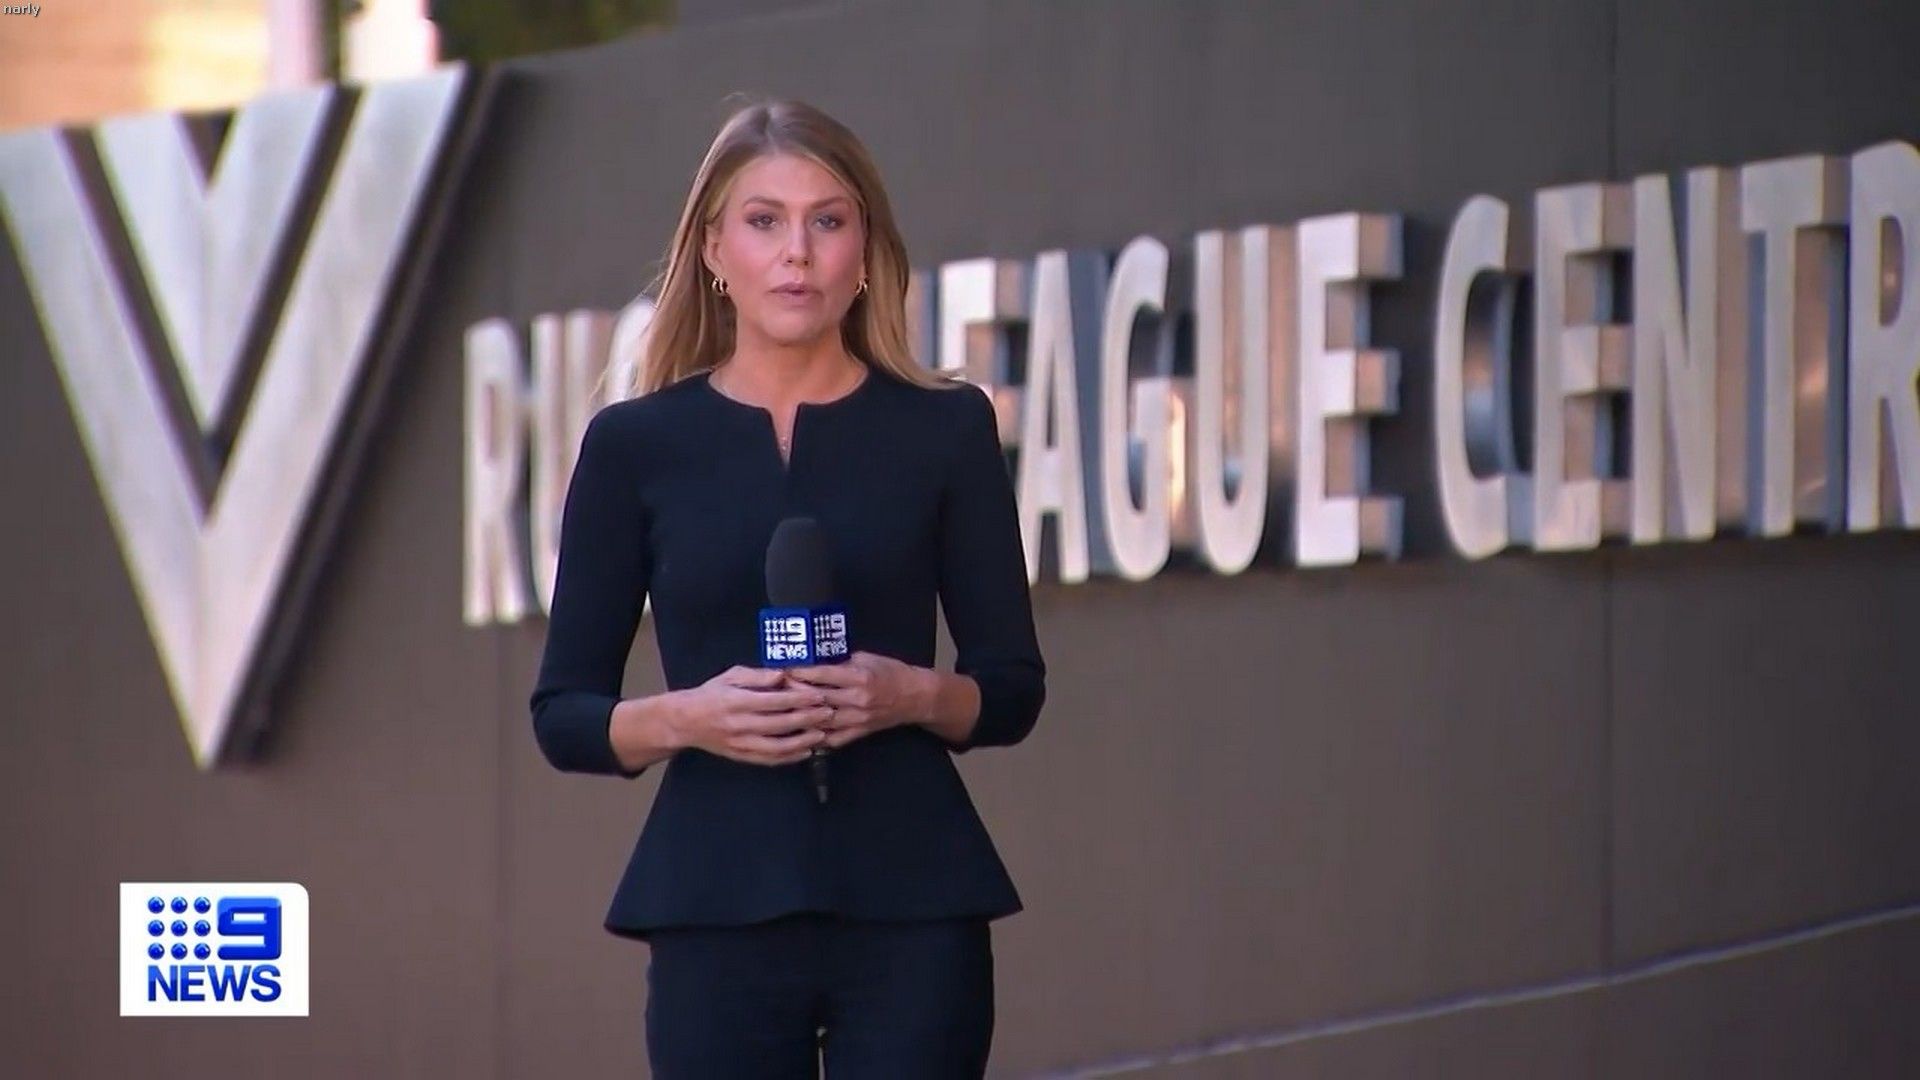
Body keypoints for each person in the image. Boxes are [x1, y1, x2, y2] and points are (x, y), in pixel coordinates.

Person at [527, 97, 1046, 1079]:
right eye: (764, 221)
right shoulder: (635, 447)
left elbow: (1011, 688)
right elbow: (564, 715)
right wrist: (692, 717)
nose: (797, 253)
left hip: (914, 905)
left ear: (866, 251)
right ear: (714, 251)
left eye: (827, 220)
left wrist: (909, 695)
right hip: (713, 906)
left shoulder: (946, 431)